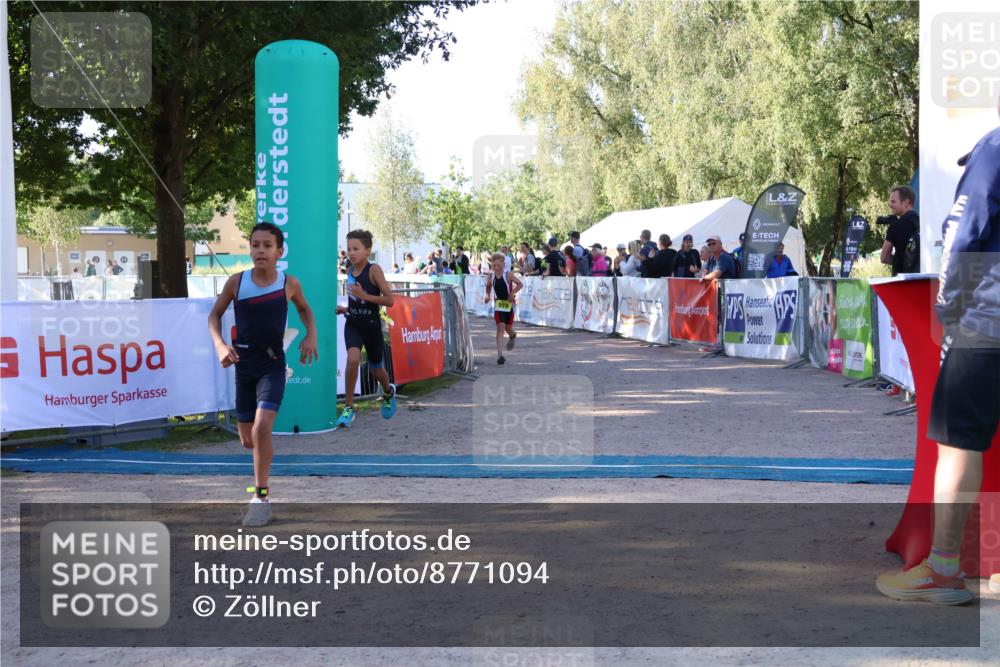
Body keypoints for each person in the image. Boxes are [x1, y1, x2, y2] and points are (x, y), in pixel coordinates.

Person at [875, 105, 1000, 606]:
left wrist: (948, 308)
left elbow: (964, 233)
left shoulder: (994, 148)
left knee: (957, 443)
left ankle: (944, 570)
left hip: (987, 319)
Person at [208, 221, 318, 527]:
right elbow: (214, 315)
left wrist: (311, 335)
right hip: (244, 366)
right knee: (249, 440)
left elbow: (305, 310)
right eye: (255, 245)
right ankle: (262, 460)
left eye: (267, 245)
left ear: (279, 251)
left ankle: (261, 497)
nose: (261, 250)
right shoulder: (236, 282)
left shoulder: (289, 283)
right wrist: (220, 345)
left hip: (272, 365)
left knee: (262, 427)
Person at [334, 229, 397, 429]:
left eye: (356, 249)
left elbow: (389, 300)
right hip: (353, 323)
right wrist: (345, 309)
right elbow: (356, 301)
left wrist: (364, 296)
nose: (351, 253)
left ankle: (388, 392)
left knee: (377, 369)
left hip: (371, 326)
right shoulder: (349, 272)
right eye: (349, 249)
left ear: (367, 251)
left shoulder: (374, 270)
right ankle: (349, 407)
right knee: (352, 360)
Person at [485, 252, 522, 365]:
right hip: (499, 304)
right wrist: (487, 296)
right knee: (500, 328)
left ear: (503, 264)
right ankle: (500, 355)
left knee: (508, 328)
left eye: (498, 265)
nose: (496, 267)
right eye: (494, 265)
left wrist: (512, 293)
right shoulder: (491, 275)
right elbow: (488, 286)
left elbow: (520, 284)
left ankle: (512, 335)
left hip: (509, 304)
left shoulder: (508, 274)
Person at [880, 185, 920, 277]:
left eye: (893, 201)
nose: (890, 204)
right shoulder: (922, 222)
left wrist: (900, 260)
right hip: (922, 279)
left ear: (906, 202)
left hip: (901, 280)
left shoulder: (895, 226)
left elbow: (884, 257)